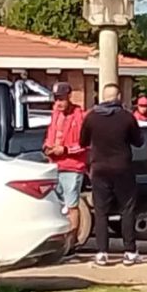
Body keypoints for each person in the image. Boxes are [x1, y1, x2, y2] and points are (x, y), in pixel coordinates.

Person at [79, 84, 144, 266]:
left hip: (99, 169)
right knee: (127, 209)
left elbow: (82, 141)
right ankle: (130, 252)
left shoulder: (91, 117)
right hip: (122, 168)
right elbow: (138, 141)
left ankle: (102, 252)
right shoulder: (126, 117)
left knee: (101, 211)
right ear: (119, 97)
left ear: (102, 97)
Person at [43, 82, 87, 248]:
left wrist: (66, 150)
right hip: (55, 165)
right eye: (56, 99)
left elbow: (85, 144)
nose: (58, 103)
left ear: (69, 97)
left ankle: (72, 241)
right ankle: (59, 240)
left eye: (61, 99)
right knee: (56, 204)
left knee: (71, 205)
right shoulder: (55, 114)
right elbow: (50, 136)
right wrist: (47, 147)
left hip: (73, 166)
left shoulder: (79, 115)